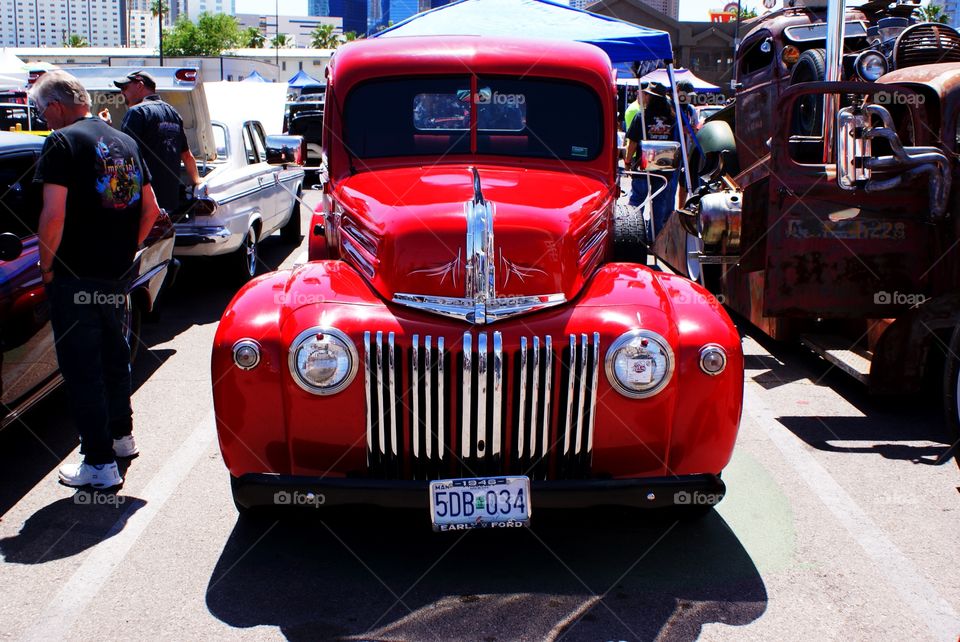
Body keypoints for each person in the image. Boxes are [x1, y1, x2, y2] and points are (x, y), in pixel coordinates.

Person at [30, 70, 161, 488]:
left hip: (75, 275)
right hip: (116, 274)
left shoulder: (61, 143)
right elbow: (152, 211)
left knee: (83, 368)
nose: (42, 119)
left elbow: (53, 216)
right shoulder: (124, 140)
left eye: (40, 111)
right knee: (113, 357)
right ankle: (121, 439)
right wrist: (126, 250)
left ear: (55, 106)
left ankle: (99, 464)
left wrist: (47, 266)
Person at [114, 70, 200, 213]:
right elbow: (187, 155)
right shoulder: (173, 113)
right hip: (169, 202)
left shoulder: (136, 113)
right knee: (166, 235)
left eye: (125, 88)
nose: (122, 93)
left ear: (140, 85)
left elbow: (124, 157)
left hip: (144, 203)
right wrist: (198, 182)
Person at [624, 84, 680, 239]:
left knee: (637, 200)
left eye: (647, 95)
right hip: (664, 167)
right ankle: (654, 237)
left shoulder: (642, 116)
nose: (645, 97)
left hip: (643, 166)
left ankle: (633, 236)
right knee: (659, 204)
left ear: (651, 97)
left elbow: (633, 142)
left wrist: (628, 161)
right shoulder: (673, 118)